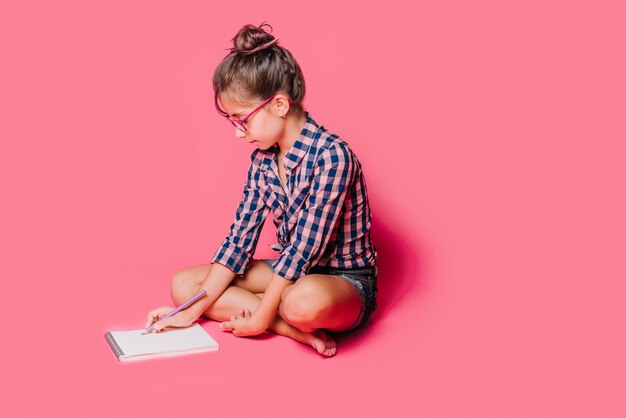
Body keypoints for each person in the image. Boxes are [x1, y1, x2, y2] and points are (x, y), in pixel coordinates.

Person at [145, 23, 377, 357]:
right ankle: (286, 327)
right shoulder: (262, 162)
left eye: (243, 119)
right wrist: (188, 313)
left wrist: (258, 319)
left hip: (341, 280)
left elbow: (303, 249)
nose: (239, 133)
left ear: (280, 105)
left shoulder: (332, 156)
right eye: (232, 122)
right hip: (290, 273)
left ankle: (277, 315)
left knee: (301, 302)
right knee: (184, 287)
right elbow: (239, 239)